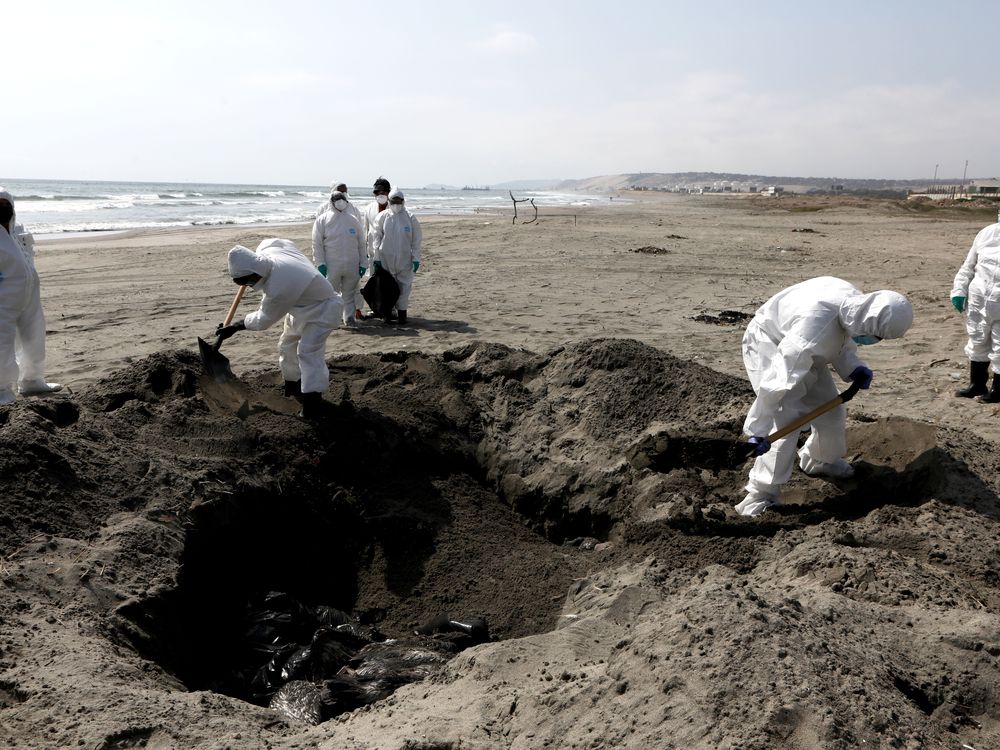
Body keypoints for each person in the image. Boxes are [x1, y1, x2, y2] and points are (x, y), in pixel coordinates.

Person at [736, 276, 913, 518]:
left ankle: (819, 459)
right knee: (785, 419)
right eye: (877, 337)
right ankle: (760, 495)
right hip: (769, 343)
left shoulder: (854, 307)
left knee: (832, 412)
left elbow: (840, 338)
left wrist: (852, 366)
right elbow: (777, 383)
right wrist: (758, 429)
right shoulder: (813, 329)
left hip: (804, 350)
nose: (875, 341)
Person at [215, 239, 343, 419]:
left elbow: (263, 320)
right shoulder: (266, 251)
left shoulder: (279, 286)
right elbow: (279, 241)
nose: (250, 287)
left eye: (249, 282)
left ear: (255, 273)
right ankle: (294, 384)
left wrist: (235, 327)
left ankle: (312, 404)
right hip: (299, 304)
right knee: (286, 344)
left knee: (308, 352)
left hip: (323, 309)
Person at [0, 188, 61, 404]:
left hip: (29, 292)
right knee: (2, 341)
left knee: (34, 336)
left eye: (6, 205)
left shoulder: (18, 229)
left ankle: (33, 380)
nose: (3, 209)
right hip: (4, 296)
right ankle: (2, 390)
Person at [951, 220, 1000, 402]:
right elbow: (968, 266)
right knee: (977, 340)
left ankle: (997, 390)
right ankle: (977, 385)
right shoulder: (986, 233)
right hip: (978, 301)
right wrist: (959, 291)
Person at [311, 191, 366, 326]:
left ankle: (349, 318)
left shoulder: (353, 220)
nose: (340, 201)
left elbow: (361, 243)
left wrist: (363, 263)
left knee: (349, 293)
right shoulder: (323, 220)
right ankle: (331, 320)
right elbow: (316, 243)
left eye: (342, 198)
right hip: (331, 265)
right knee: (331, 294)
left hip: (352, 264)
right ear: (331, 201)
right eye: (337, 199)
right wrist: (320, 263)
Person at [372, 188, 422, 324]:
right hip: (385, 259)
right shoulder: (382, 217)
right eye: (393, 202)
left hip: (405, 260)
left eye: (399, 202)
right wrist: (376, 257)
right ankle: (387, 314)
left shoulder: (410, 218)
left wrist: (416, 258)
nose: (396, 205)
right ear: (389, 202)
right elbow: (376, 237)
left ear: (403, 202)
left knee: (404, 288)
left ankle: (402, 315)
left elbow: (416, 241)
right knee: (387, 288)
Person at [358, 177, 392, 319]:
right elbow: (365, 230)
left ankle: (391, 309)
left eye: (383, 191)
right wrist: (365, 250)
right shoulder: (369, 208)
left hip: (390, 251)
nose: (380, 194)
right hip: (373, 251)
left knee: (390, 281)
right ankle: (376, 308)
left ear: (388, 192)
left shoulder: (395, 206)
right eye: (377, 192)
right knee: (374, 281)